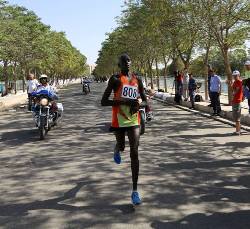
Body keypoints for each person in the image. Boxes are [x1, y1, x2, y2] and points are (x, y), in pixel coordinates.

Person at [101, 54, 147, 205]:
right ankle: (117, 147)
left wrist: (139, 104)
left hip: (134, 120)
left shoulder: (137, 80)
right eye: (124, 61)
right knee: (122, 147)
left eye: (129, 61)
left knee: (134, 151)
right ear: (119, 64)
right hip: (119, 121)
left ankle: (135, 191)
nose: (127, 63)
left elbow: (146, 101)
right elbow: (103, 101)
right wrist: (121, 101)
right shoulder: (114, 80)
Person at [229, 70, 243, 135]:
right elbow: (232, 91)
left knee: (237, 117)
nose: (234, 77)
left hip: (237, 101)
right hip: (234, 100)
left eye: (236, 76)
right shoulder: (234, 82)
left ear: (239, 75)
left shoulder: (240, 82)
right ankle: (237, 130)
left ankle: (238, 131)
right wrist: (230, 85)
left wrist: (232, 86)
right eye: (234, 76)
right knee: (235, 116)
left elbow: (235, 92)